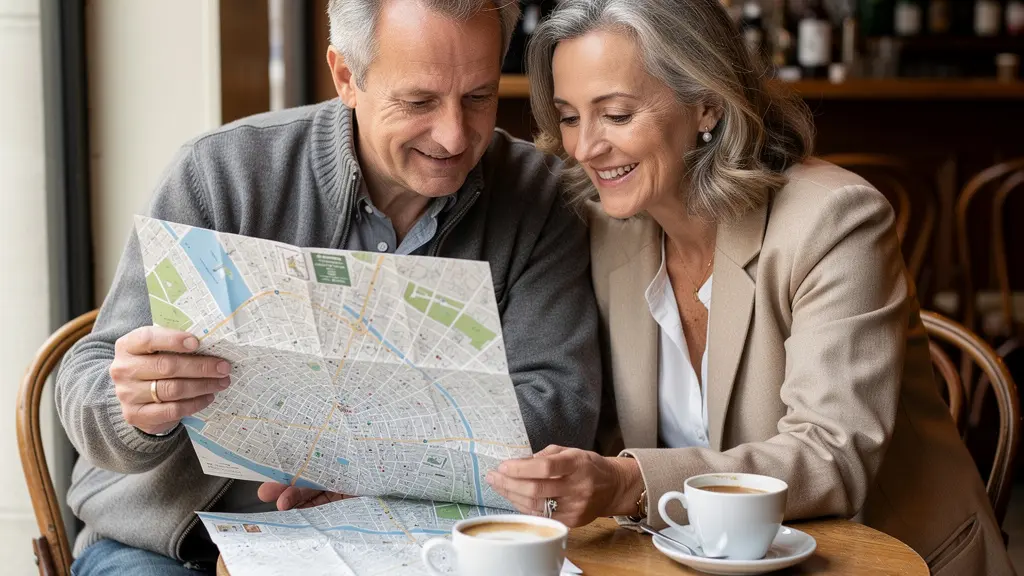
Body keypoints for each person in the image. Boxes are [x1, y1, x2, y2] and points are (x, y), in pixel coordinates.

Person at [57, 1, 602, 574]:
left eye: (478, 97)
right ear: (346, 77)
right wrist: (136, 407)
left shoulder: (540, 196)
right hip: (173, 545)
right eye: (418, 102)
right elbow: (90, 375)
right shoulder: (221, 173)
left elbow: (559, 407)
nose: (454, 136)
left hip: (422, 536)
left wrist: (373, 475)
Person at [485, 1, 1013, 574]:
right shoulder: (609, 231)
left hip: (880, 557)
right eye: (569, 117)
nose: (586, 147)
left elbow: (830, 455)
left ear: (706, 102)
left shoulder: (835, 221)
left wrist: (628, 483)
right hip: (703, 559)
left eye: (615, 115)